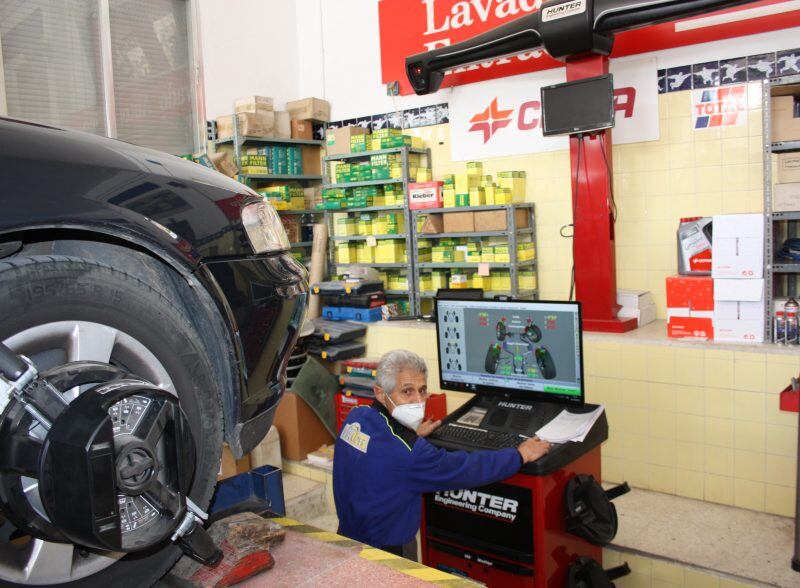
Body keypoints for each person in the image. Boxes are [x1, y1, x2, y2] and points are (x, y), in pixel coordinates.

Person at [333, 349, 551, 560]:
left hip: (347, 536)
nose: (418, 400)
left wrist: (413, 432)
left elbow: (379, 449)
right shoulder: (410, 453)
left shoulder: (356, 417)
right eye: (407, 391)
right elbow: (465, 469)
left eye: (422, 390)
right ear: (380, 393)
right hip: (387, 550)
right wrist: (519, 455)